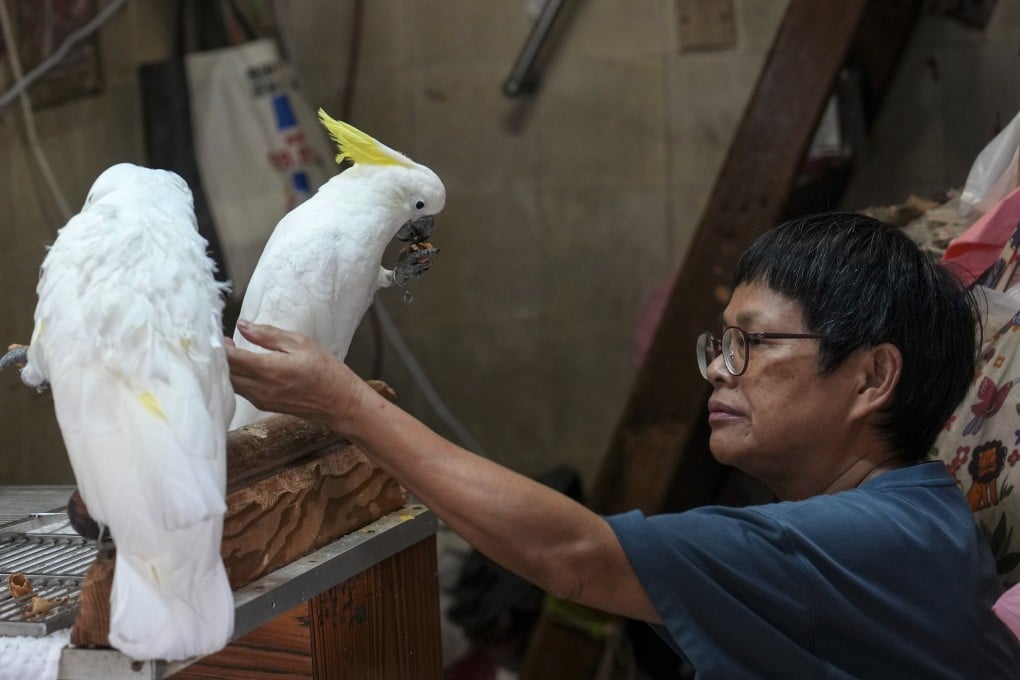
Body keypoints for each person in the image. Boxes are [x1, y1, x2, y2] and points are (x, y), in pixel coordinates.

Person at [226, 212, 1020, 677]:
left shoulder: (869, 540)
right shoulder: (909, 515)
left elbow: (575, 556)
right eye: (720, 342)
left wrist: (346, 404)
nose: (718, 369)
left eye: (752, 344)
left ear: (873, 376)